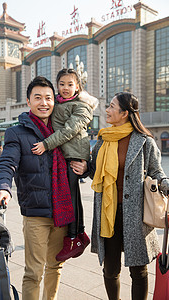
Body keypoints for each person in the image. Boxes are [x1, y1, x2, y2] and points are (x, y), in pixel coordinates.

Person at [70, 92, 169, 300]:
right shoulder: (104, 139)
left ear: (124, 113)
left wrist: (165, 183)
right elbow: (96, 168)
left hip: (136, 213)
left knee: (138, 270)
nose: (107, 110)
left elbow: (156, 171)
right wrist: (86, 167)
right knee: (110, 268)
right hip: (109, 211)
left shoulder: (144, 141)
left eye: (112, 107)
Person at [0, 76, 75, 300]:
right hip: (36, 214)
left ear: (54, 101)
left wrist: (85, 165)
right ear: (28, 102)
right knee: (33, 272)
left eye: (48, 98)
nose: (44, 103)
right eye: (37, 98)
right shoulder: (17, 133)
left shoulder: (63, 132)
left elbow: (77, 161)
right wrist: (2, 187)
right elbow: (6, 163)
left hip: (63, 212)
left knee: (55, 267)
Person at [31, 68, 98, 261]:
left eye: (70, 84)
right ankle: (79, 235)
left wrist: (46, 144)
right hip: (64, 155)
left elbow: (69, 131)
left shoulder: (82, 107)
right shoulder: (58, 103)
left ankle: (73, 237)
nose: (66, 88)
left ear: (78, 86)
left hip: (74, 156)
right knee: (72, 195)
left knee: (71, 196)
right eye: (62, 84)